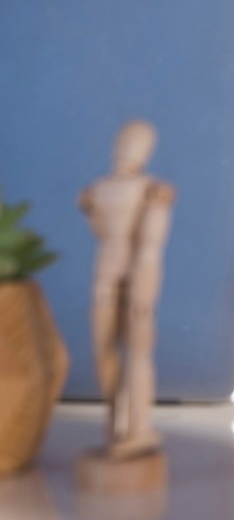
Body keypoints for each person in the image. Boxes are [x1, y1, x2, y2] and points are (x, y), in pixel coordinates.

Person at [79, 119, 175, 457]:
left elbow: (150, 246)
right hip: (104, 276)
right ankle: (117, 421)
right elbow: (100, 232)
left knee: (137, 352)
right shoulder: (97, 190)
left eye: (137, 143)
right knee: (103, 349)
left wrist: (143, 292)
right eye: (125, 141)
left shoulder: (151, 190)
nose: (128, 150)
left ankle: (138, 428)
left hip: (137, 278)